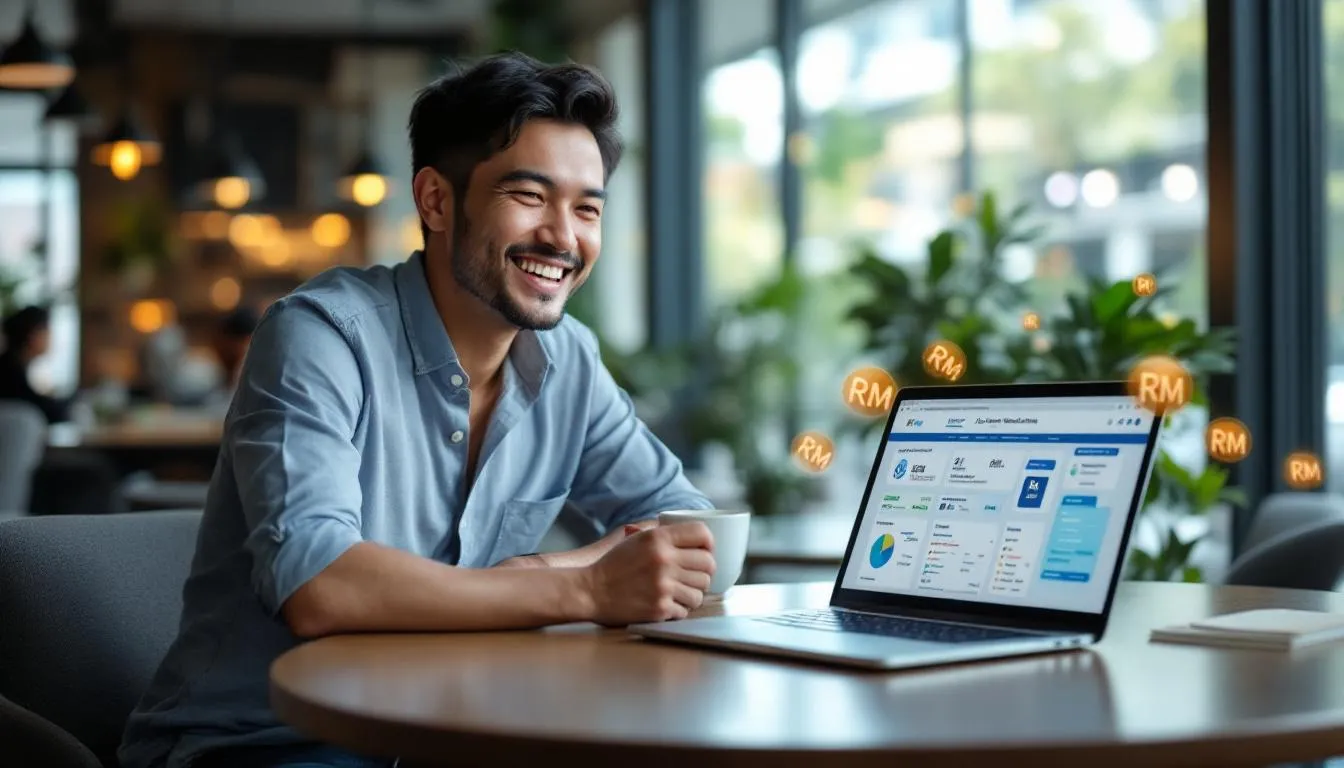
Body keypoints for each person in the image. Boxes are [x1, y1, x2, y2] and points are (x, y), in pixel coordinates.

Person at [119, 51, 718, 768]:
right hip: (262, 742)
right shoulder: (320, 336)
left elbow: (692, 526)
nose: (564, 237)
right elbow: (321, 585)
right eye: (529, 195)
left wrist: (546, 572)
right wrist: (582, 583)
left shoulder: (569, 363)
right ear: (435, 201)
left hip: (453, 727)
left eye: (587, 207)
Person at [0, 305, 71, 423]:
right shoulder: (9, 373)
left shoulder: (12, 366)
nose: (50, 337)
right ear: (32, 335)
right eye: (47, 330)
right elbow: (42, 410)